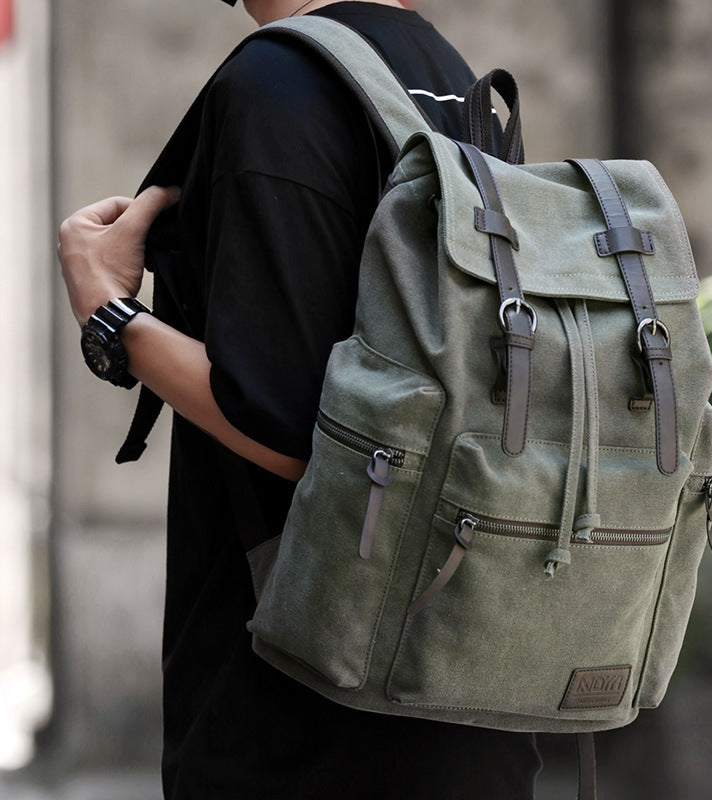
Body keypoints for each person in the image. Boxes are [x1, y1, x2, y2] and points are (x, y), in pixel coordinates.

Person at [57, 1, 542, 797]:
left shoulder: (276, 82)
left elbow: (288, 426)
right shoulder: (450, 79)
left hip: (300, 714)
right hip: (463, 683)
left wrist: (110, 314)